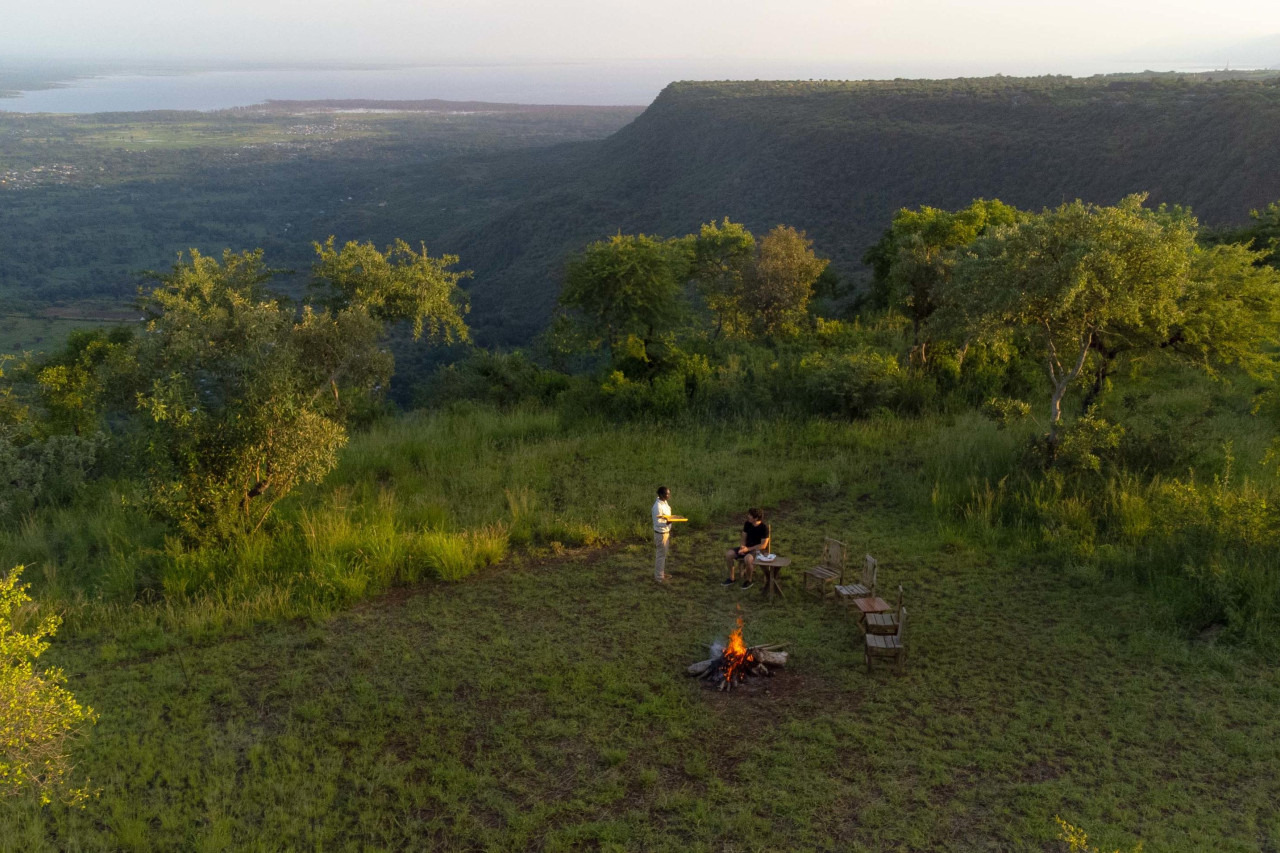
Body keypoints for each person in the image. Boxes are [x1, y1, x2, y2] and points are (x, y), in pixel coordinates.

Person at [723, 507, 769, 589]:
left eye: (750, 515)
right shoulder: (747, 524)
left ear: (756, 518)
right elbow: (743, 537)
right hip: (746, 548)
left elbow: (763, 545)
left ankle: (749, 580)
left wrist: (748, 549)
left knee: (748, 559)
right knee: (728, 554)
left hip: (757, 550)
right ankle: (731, 578)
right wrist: (742, 547)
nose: (748, 516)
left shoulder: (764, 528)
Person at [651, 485, 674, 583]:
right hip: (661, 534)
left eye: (669, 494)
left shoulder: (664, 502)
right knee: (661, 555)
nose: (668, 496)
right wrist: (667, 522)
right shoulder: (658, 506)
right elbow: (658, 522)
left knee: (663, 554)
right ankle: (659, 577)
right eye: (666, 494)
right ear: (660, 494)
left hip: (665, 532)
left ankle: (661, 573)